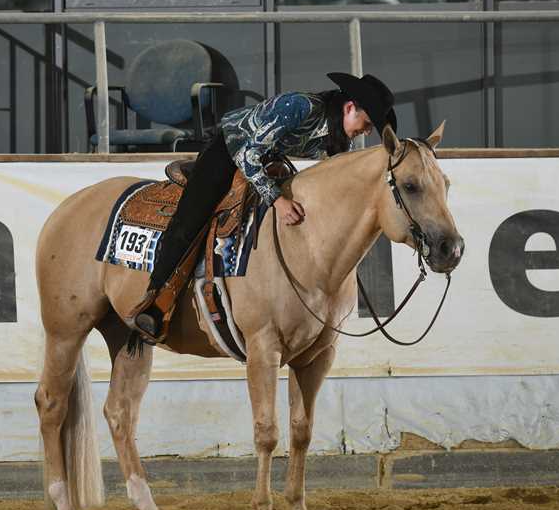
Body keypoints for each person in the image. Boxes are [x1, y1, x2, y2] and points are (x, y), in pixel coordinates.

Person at [128, 72, 398, 341]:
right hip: (230, 148)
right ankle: (154, 300)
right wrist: (278, 200)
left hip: (269, 158)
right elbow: (247, 154)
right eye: (367, 122)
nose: (367, 131)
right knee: (191, 218)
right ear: (349, 108)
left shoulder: (340, 138)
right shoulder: (301, 107)